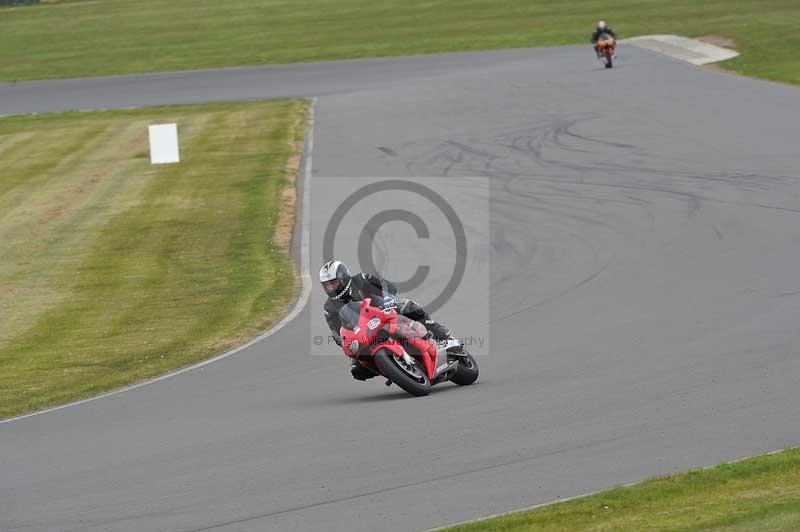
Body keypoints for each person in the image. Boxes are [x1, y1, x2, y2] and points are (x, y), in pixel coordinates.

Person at [319, 260, 457, 381]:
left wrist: (388, 299)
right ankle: (392, 369)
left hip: (384, 312)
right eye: (327, 285)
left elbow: (386, 285)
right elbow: (336, 330)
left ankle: (442, 334)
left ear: (343, 277)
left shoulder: (361, 279)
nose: (330, 288)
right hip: (363, 334)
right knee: (357, 369)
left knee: (408, 307)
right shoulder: (329, 307)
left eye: (333, 283)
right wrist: (344, 341)